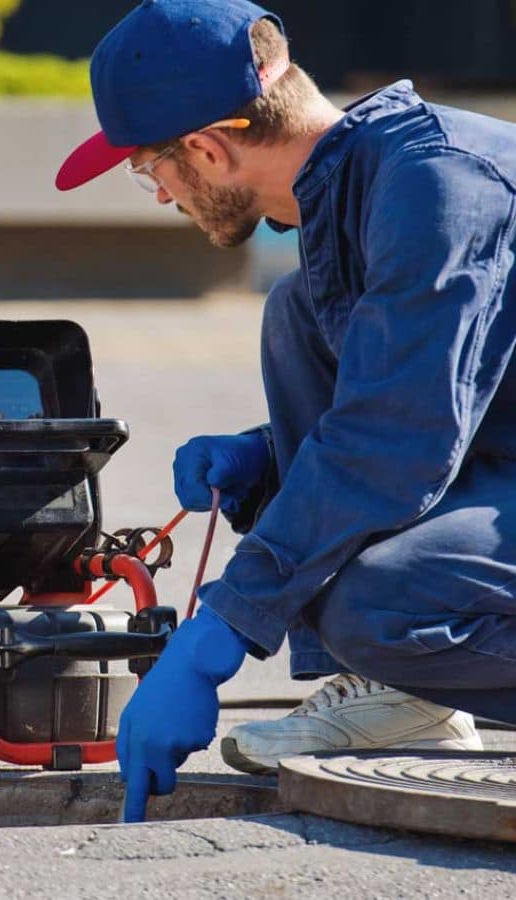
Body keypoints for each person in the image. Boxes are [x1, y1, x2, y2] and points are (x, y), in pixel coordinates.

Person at [57, 0, 516, 822]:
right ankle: (400, 701)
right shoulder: (355, 190)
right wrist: (266, 456)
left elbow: (395, 442)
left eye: (147, 169)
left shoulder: (440, 186)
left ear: (207, 147)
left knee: (384, 602)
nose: (159, 195)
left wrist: (221, 633)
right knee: (297, 318)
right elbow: (427, 392)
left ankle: (392, 665)